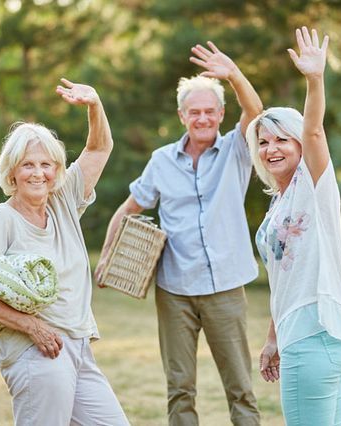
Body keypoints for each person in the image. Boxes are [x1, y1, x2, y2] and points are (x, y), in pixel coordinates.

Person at [95, 42, 262, 426]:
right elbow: (127, 209)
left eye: (209, 111)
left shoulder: (238, 149)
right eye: (194, 112)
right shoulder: (161, 161)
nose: (202, 118)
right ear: (181, 116)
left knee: (240, 387)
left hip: (225, 288)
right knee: (180, 388)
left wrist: (234, 74)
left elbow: (255, 112)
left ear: (221, 114)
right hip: (174, 291)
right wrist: (106, 257)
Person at [0, 78, 129, 426]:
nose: (38, 173)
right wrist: (30, 326)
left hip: (77, 346)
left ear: (57, 171)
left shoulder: (64, 200)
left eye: (46, 164)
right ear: (12, 172)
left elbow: (98, 149)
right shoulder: (3, 218)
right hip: (37, 352)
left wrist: (95, 105)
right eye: (28, 164)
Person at [247, 27, 341, 425]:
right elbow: (284, 277)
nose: (271, 148)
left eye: (282, 140)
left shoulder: (312, 185)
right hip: (304, 336)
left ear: (298, 145)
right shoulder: (278, 202)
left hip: (316, 334)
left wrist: (315, 79)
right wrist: (274, 337)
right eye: (263, 142)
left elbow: (314, 130)